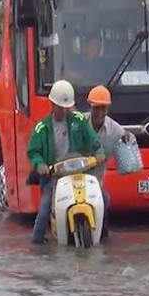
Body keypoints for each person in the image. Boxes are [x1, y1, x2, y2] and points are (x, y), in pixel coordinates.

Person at [27, 80, 106, 244]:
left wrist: (99, 153)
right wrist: (40, 165)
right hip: (54, 176)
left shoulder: (79, 121)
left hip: (79, 172)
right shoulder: (42, 127)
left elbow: (93, 140)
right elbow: (33, 151)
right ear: (52, 104)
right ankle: (37, 242)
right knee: (45, 207)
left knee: (103, 198)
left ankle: (102, 234)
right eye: (60, 107)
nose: (63, 110)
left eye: (66, 107)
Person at [84, 85, 136, 238]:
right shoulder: (79, 123)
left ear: (108, 109)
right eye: (96, 108)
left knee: (104, 200)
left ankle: (102, 233)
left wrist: (128, 138)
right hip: (73, 177)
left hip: (95, 183)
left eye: (103, 108)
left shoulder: (115, 129)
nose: (100, 112)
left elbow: (129, 139)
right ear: (90, 107)